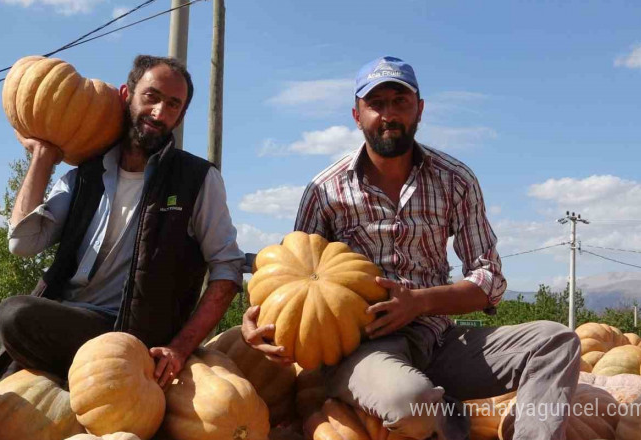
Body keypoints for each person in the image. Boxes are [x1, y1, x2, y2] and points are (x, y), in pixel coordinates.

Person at [241, 56, 581, 439]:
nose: (388, 114)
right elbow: (294, 280)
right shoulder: (326, 190)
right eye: (376, 104)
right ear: (357, 115)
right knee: (412, 404)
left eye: (400, 102)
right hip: (364, 350)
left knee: (557, 341)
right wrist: (260, 325)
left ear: (419, 109)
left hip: (440, 341)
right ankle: (443, 411)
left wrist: (419, 302)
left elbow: (490, 278)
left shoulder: (456, 180)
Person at [0, 54, 244, 388]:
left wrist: (180, 348)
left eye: (172, 105)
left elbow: (226, 269)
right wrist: (43, 156)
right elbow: (22, 244)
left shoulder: (196, 180)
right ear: (127, 95)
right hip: (69, 318)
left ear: (181, 116)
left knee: (14, 316)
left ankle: (111, 380)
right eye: (151, 97)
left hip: (132, 335)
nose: (159, 113)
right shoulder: (84, 176)